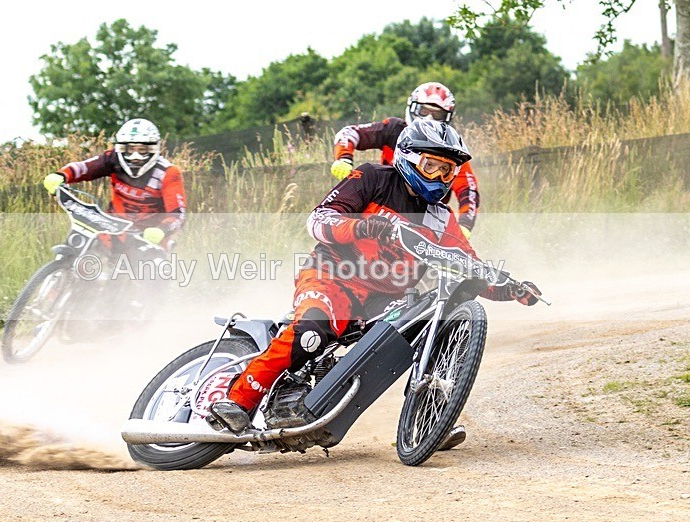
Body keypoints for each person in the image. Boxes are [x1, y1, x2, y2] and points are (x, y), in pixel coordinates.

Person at [207, 120, 540, 451]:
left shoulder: (442, 218)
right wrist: (367, 226)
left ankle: (431, 419)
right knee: (312, 331)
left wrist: (510, 288)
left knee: (424, 327)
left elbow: (469, 265)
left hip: (383, 299)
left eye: (447, 170)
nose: (438, 177)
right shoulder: (371, 178)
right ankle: (236, 401)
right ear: (408, 158)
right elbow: (319, 220)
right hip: (331, 275)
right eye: (430, 165)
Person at [330, 82, 480, 239]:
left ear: (447, 118)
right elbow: (349, 133)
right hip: (381, 201)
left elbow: (468, 189)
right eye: (424, 111)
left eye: (437, 115)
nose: (429, 117)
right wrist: (344, 158)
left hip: (426, 216)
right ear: (412, 107)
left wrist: (464, 224)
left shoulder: (451, 149)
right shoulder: (392, 129)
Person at [42, 118, 186, 248]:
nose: (135, 156)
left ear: (154, 148)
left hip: (148, 236)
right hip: (111, 226)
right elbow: (85, 167)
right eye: (130, 149)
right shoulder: (113, 159)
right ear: (121, 149)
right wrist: (62, 175)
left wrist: (161, 230)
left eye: (142, 150)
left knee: (143, 271)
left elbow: (178, 214)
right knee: (80, 250)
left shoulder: (169, 173)